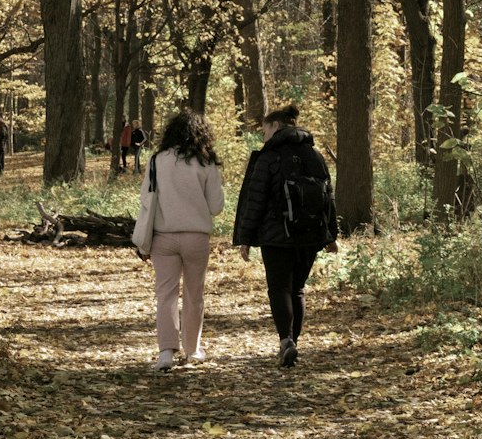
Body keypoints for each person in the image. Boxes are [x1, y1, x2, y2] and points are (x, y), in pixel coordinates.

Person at [234, 102, 338, 368]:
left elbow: (255, 199)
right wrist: (331, 235)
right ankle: (293, 342)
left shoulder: (269, 157)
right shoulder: (314, 155)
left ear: (276, 126)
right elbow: (328, 197)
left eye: (265, 130)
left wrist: (245, 237)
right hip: (311, 235)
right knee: (298, 289)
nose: (263, 136)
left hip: (276, 235)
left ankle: (286, 340)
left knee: (279, 288)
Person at [135, 110, 224, 371]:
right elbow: (217, 206)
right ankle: (193, 350)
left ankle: (166, 352)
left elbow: (145, 198)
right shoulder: (206, 162)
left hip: (163, 237)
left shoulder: (157, 160)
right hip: (196, 237)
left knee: (166, 295)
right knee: (194, 294)